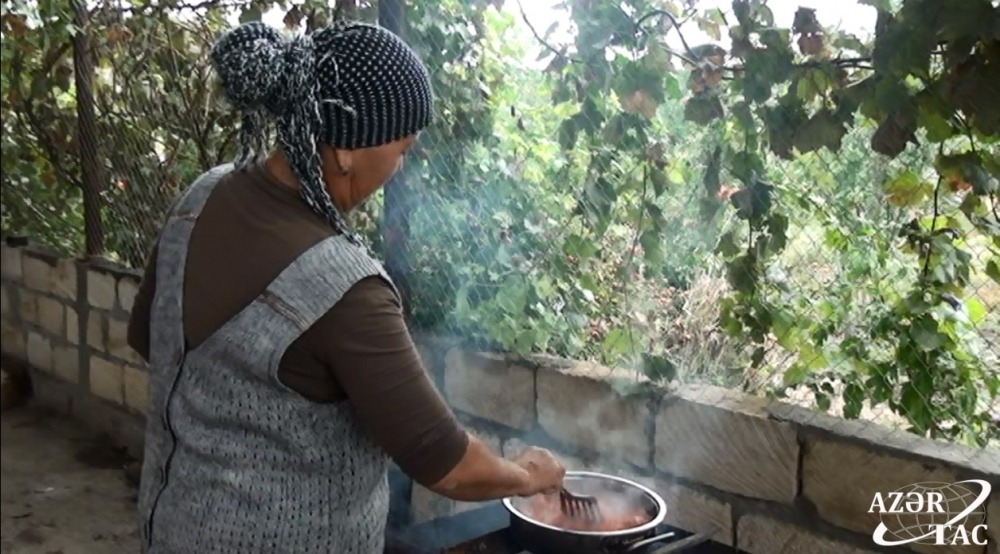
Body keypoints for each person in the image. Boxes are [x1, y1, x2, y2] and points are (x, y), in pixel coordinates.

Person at [126, 20, 565, 554]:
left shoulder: (202, 196)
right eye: (402, 148)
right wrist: (528, 475)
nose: (400, 167)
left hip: (171, 525)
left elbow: (149, 339)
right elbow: (448, 466)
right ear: (346, 151)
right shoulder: (343, 285)